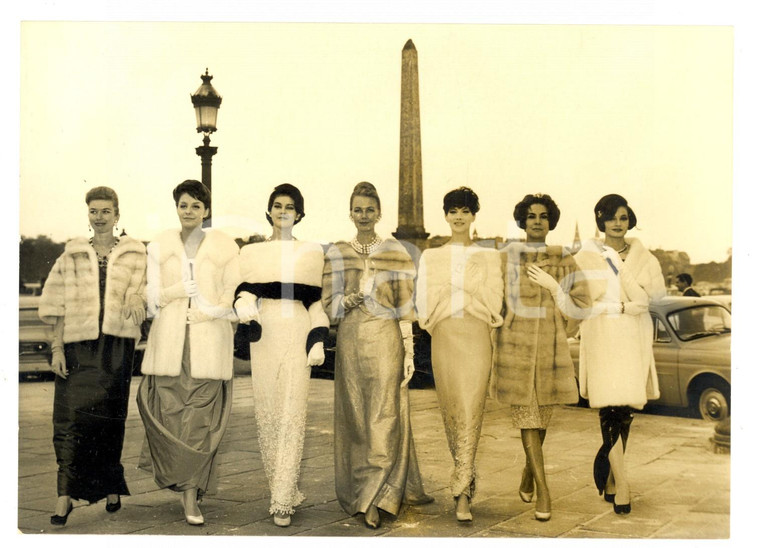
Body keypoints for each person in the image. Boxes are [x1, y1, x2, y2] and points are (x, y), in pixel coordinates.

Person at [322, 181, 433, 529]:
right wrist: (348, 300)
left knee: (385, 414)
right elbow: (329, 305)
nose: (364, 216)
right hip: (352, 340)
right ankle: (360, 490)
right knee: (356, 416)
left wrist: (408, 349)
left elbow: (406, 305)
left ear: (379, 212)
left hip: (386, 338)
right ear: (350, 212)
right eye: (358, 209)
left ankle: (376, 496)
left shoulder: (395, 251)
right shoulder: (337, 253)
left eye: (370, 210)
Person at [39, 186, 147, 525]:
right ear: (88, 215)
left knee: (109, 421)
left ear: (117, 214)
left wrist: (137, 301)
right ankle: (64, 496)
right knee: (69, 422)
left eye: (105, 211)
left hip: (116, 348)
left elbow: (144, 291)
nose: (99, 217)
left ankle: (111, 487)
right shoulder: (70, 254)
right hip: (77, 348)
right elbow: (54, 306)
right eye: (93, 211)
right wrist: (56, 348)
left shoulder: (135, 253)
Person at [136, 179, 240, 526]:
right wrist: (174, 291)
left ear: (206, 210)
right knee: (171, 415)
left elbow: (231, 293)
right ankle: (186, 485)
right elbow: (150, 298)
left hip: (209, 341)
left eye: (196, 205)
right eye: (183, 205)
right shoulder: (160, 245)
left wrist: (211, 311)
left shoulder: (225, 247)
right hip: (170, 342)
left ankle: (191, 497)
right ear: (176, 208)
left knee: (199, 420)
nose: (189, 211)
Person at [233, 184, 330, 527]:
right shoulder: (252, 253)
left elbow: (317, 303)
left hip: (297, 332)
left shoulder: (312, 252)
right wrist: (244, 306)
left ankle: (283, 500)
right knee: (269, 412)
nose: (283, 211)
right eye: (278, 205)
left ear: (299, 214)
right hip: (265, 335)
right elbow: (243, 292)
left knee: (292, 412)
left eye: (290, 207)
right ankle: (281, 487)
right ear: (269, 211)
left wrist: (318, 340)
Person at [491, 194, 591, 522]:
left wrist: (555, 290)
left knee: (540, 418)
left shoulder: (564, 259)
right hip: (515, 350)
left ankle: (527, 473)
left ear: (551, 222)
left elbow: (582, 301)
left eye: (543, 216)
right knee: (527, 418)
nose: (537, 221)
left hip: (549, 348)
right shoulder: (507, 257)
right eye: (531, 216)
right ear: (522, 221)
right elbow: (496, 301)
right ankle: (545, 492)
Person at [574, 193, 666, 515]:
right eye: (611, 217)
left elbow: (652, 299)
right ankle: (622, 483)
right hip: (601, 335)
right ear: (601, 219)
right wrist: (617, 306)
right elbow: (582, 301)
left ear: (630, 221)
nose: (617, 223)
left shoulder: (646, 259)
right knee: (609, 406)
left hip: (632, 336)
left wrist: (630, 305)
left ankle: (612, 477)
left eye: (623, 217)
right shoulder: (585, 257)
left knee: (625, 406)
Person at [415, 187, 503, 522]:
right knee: (452, 412)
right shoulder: (431, 256)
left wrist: (456, 292)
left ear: (474, 215)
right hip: (445, 338)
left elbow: (493, 302)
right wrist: (467, 292)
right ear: (445, 215)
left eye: (465, 211)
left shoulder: (490, 256)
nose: (459, 217)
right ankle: (464, 474)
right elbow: (425, 304)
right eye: (453, 211)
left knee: (471, 408)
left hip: (477, 337)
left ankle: (461, 492)